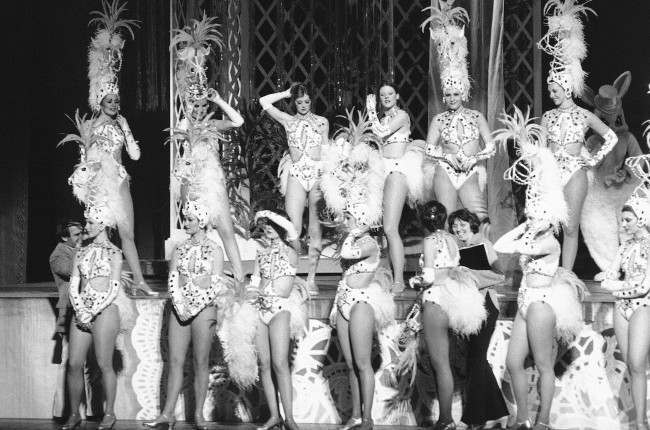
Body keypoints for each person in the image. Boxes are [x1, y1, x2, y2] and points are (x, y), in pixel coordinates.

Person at [493, 106, 585, 430]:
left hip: (542, 305)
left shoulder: (548, 242)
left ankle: (544, 420)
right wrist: (529, 151)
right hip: (523, 301)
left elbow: (508, 246)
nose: (530, 216)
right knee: (513, 362)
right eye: (530, 212)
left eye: (536, 212)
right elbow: (503, 244)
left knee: (544, 366)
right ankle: (523, 418)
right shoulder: (532, 232)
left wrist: (527, 230)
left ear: (547, 214)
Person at [62, 0, 155, 295]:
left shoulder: (120, 123)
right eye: (110, 101)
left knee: (126, 232)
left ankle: (138, 281)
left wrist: (127, 128)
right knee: (96, 234)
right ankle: (90, 280)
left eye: (117, 100)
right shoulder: (89, 126)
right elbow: (82, 162)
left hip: (120, 179)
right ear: (100, 102)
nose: (116, 104)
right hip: (99, 184)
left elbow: (136, 155)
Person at [321, 112, 394, 430]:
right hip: (343, 298)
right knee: (350, 363)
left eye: (351, 216)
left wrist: (351, 228)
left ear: (363, 220)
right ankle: (353, 415)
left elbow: (346, 250)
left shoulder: (367, 244)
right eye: (346, 216)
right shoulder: (351, 236)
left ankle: (367, 418)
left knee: (363, 363)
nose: (345, 219)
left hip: (363, 301)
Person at [537, 0, 617, 270]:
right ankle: (546, 268)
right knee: (548, 224)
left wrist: (593, 160)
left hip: (575, 171)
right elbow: (541, 149)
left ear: (567, 87)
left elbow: (612, 138)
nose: (552, 94)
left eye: (555, 89)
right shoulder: (547, 117)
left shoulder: (584, 115)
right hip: (551, 172)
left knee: (571, 227)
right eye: (549, 90)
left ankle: (566, 274)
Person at [144, 199, 234, 430]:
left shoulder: (215, 249)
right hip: (179, 308)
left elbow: (215, 282)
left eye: (190, 219)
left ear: (202, 221)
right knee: (174, 361)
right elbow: (173, 278)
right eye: (185, 219)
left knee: (200, 361)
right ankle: (167, 414)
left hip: (204, 309)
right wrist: (180, 303)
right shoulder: (180, 248)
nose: (185, 223)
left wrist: (194, 304)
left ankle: (198, 416)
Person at [169, 12, 245, 283]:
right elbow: (179, 134)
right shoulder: (185, 125)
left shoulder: (214, 124)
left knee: (225, 228)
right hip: (191, 178)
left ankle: (239, 277)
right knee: (194, 228)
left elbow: (239, 121)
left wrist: (219, 99)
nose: (200, 110)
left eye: (204, 106)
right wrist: (191, 73)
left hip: (212, 181)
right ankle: (195, 275)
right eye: (196, 106)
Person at [408, 201, 487, 430]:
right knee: (446, 363)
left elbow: (430, 275)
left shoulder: (429, 241)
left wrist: (414, 281)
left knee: (440, 364)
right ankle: (447, 418)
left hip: (435, 302)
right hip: (453, 300)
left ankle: (445, 420)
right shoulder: (452, 239)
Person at [59, 205, 134, 430]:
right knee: (73, 363)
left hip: (105, 310)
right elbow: (73, 285)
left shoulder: (114, 253)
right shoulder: (81, 252)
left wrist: (93, 310)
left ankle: (109, 413)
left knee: (104, 363)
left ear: (102, 224)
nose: (86, 227)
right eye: (86, 222)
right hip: (82, 309)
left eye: (90, 222)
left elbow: (113, 288)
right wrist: (81, 308)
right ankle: (74, 414)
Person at [422, 2, 495, 224]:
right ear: (444, 96)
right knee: (446, 221)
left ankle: (481, 259)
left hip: (470, 171)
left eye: (456, 94)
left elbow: (490, 146)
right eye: (449, 95)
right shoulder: (439, 119)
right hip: (446, 170)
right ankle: (449, 258)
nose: (452, 98)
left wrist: (474, 158)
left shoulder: (476, 116)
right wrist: (448, 158)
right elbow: (428, 148)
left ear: (463, 93)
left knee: (480, 219)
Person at [259, 84, 329, 295]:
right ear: (294, 103)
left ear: (312, 101)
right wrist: (286, 93)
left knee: (316, 230)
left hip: (317, 175)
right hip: (297, 174)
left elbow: (327, 151)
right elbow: (264, 102)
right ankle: (289, 274)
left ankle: (311, 279)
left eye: (307, 101)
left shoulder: (322, 122)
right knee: (293, 228)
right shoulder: (288, 120)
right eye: (299, 102)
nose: (303, 105)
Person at [598, 154, 650, 430]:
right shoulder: (625, 247)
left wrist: (618, 286)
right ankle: (637, 421)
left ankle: (642, 421)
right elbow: (606, 278)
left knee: (637, 362)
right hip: (622, 307)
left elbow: (644, 286)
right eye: (623, 220)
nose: (625, 225)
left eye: (628, 220)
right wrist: (617, 285)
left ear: (641, 219)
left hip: (644, 306)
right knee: (631, 366)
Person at [447, 209, 508, 429]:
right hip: (467, 307)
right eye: (454, 227)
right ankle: (498, 413)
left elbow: (500, 275)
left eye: (462, 225)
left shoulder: (484, 244)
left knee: (476, 359)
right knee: (477, 359)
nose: (458, 230)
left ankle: (472, 418)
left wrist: (470, 274)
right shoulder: (454, 249)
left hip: (486, 305)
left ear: (472, 224)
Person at [249, 210, 308, 430]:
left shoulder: (292, 251)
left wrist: (269, 214)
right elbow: (255, 281)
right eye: (266, 226)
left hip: (280, 309)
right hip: (260, 310)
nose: (268, 229)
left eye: (272, 225)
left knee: (279, 363)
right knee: (264, 364)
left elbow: (292, 231)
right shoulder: (261, 253)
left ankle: (289, 418)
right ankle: (274, 416)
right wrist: (252, 291)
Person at [579, 71, 642, 271]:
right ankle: (609, 267)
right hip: (598, 190)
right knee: (597, 225)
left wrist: (625, 172)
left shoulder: (627, 138)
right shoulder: (593, 141)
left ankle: (633, 266)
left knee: (630, 221)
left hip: (621, 187)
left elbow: (639, 162)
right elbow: (587, 165)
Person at [366, 83, 425, 293]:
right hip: (382, 170)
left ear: (397, 95)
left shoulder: (402, 116)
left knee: (390, 228)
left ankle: (399, 279)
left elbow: (381, 132)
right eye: (382, 95)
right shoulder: (383, 118)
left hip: (398, 170)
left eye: (390, 93)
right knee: (383, 229)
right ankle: (387, 274)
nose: (386, 97)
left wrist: (370, 110)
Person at [50, 221, 83, 335]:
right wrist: (80, 251)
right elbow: (71, 271)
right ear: (64, 237)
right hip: (68, 310)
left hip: (81, 307)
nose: (81, 237)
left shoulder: (77, 250)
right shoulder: (58, 255)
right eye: (77, 235)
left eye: (82, 233)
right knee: (68, 350)